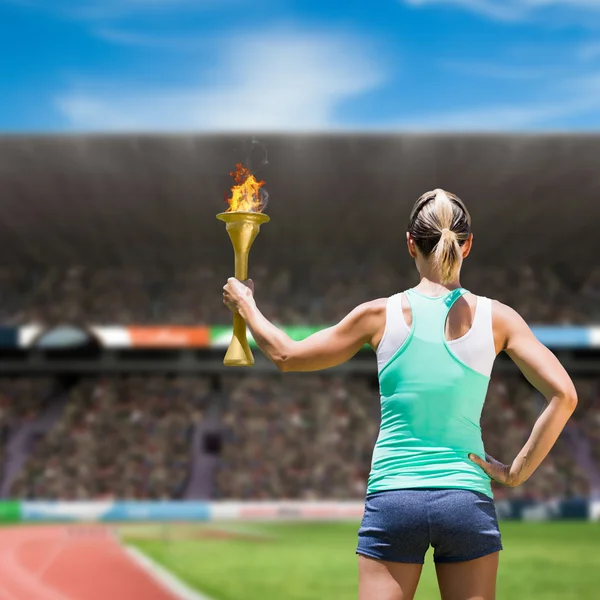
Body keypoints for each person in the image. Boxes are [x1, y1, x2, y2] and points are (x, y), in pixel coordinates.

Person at [222, 188, 577, 600]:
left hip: (395, 498)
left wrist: (246, 305)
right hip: (466, 498)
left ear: (411, 243)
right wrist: (515, 472)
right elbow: (565, 396)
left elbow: (286, 355)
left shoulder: (378, 315)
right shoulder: (499, 318)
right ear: (468, 245)